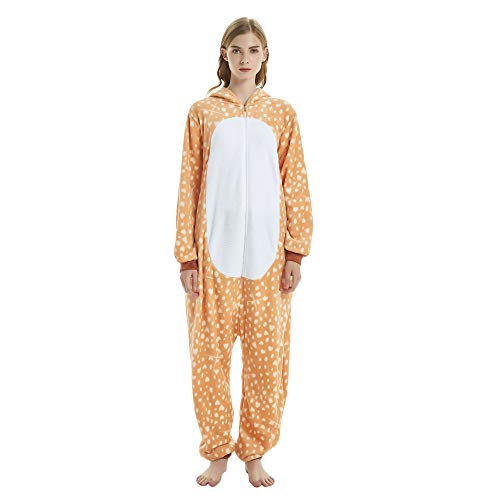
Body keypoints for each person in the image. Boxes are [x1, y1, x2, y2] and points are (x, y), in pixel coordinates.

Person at [174, 17, 313, 488]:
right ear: (225, 54)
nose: (245, 58)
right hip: (213, 258)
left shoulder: (282, 114)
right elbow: (189, 184)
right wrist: (187, 257)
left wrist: (295, 252)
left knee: (266, 364)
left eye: (254, 50)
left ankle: (255, 452)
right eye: (237, 50)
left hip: (268, 262)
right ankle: (217, 451)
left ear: (265, 55)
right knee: (208, 360)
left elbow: (295, 183)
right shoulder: (202, 112)